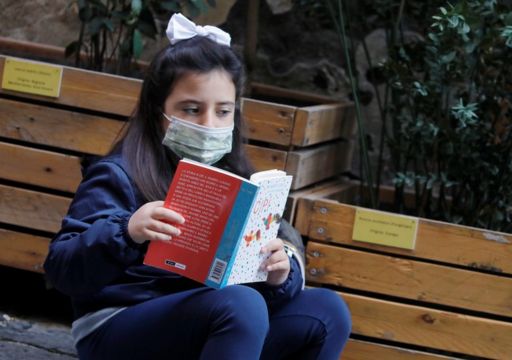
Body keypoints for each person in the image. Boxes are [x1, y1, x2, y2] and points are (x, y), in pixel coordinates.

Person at [44, 13, 351, 360]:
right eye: (191, 109)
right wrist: (127, 231)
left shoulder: (236, 177)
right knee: (240, 304)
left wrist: (280, 273)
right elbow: (61, 269)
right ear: (156, 110)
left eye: (223, 112)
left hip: (210, 318)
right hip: (120, 326)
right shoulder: (119, 174)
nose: (209, 124)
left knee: (327, 310)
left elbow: (268, 278)